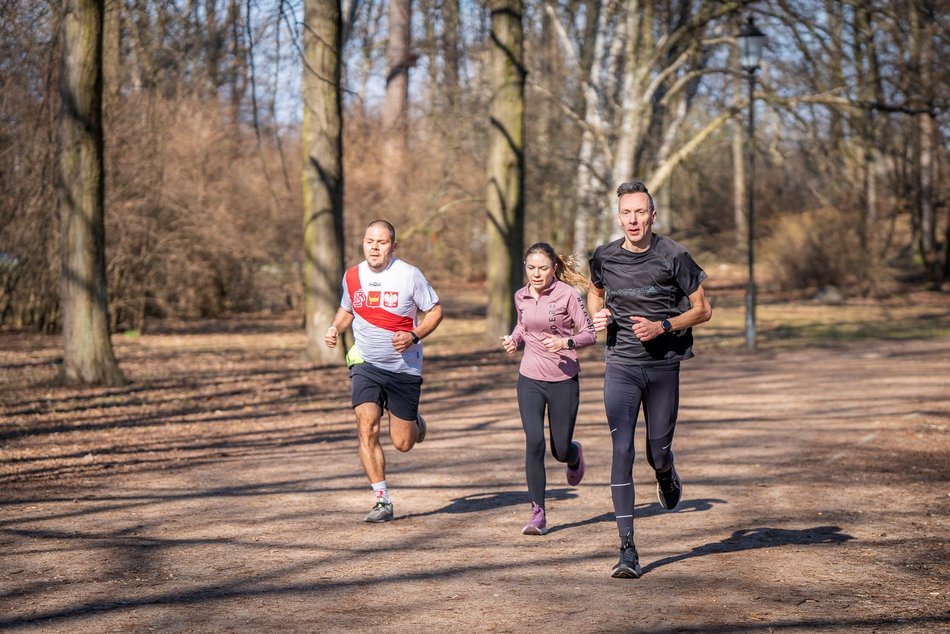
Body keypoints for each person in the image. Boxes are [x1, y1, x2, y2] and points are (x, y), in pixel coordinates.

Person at [587, 182, 713, 577]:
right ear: (619, 216)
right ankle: (627, 549)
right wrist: (598, 315)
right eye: (627, 213)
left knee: (656, 450)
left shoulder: (674, 255)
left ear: (653, 216)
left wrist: (664, 326)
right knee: (621, 450)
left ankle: (665, 470)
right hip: (621, 366)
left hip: (662, 367)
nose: (634, 219)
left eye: (641, 212)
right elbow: (595, 292)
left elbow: (704, 310)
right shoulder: (604, 256)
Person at [324, 220, 444, 523]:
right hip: (366, 363)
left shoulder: (409, 275)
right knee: (367, 425)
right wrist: (335, 329)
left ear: (394, 246)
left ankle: (414, 421)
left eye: (381, 242)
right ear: (363, 243)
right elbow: (348, 309)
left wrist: (414, 335)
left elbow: (435, 310)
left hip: (404, 368)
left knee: (403, 443)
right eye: (369, 241)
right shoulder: (352, 276)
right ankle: (382, 500)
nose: (374, 248)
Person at [501, 243, 596, 535]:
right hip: (529, 378)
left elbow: (589, 333)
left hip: (563, 378)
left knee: (559, 448)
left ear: (554, 268)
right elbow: (523, 326)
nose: (536, 274)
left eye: (543, 268)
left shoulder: (567, 295)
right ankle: (538, 513)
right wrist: (513, 341)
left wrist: (565, 343)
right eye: (531, 268)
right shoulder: (520, 295)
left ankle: (573, 454)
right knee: (534, 443)